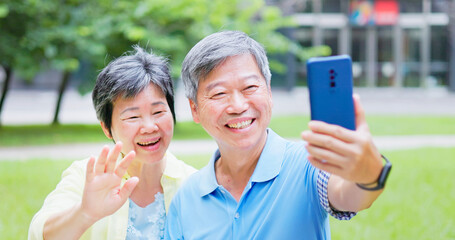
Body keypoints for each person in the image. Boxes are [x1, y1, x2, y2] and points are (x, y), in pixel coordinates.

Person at [165, 31, 390, 239]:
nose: (238, 105)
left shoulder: (309, 164)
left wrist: (369, 175)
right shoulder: (185, 200)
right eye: (219, 93)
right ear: (194, 109)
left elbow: (349, 196)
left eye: (250, 87)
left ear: (269, 91)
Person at [29, 46, 196, 240]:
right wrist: (85, 213)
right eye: (133, 116)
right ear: (107, 128)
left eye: (158, 112)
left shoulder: (193, 183)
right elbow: (39, 233)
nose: (150, 127)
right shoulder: (86, 177)